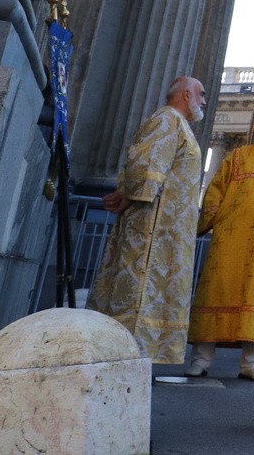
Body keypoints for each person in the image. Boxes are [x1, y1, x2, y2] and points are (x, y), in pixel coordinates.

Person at [86, 76, 206, 364]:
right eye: (201, 94)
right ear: (186, 94)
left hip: (169, 230)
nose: (204, 100)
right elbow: (148, 163)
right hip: (154, 228)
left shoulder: (179, 125)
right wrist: (132, 194)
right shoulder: (167, 119)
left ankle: (143, 356)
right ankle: (130, 357)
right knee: (142, 292)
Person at [185, 107, 254, 380]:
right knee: (217, 292)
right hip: (231, 240)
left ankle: (251, 364)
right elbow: (215, 189)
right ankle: (202, 360)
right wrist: (208, 222)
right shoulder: (238, 156)